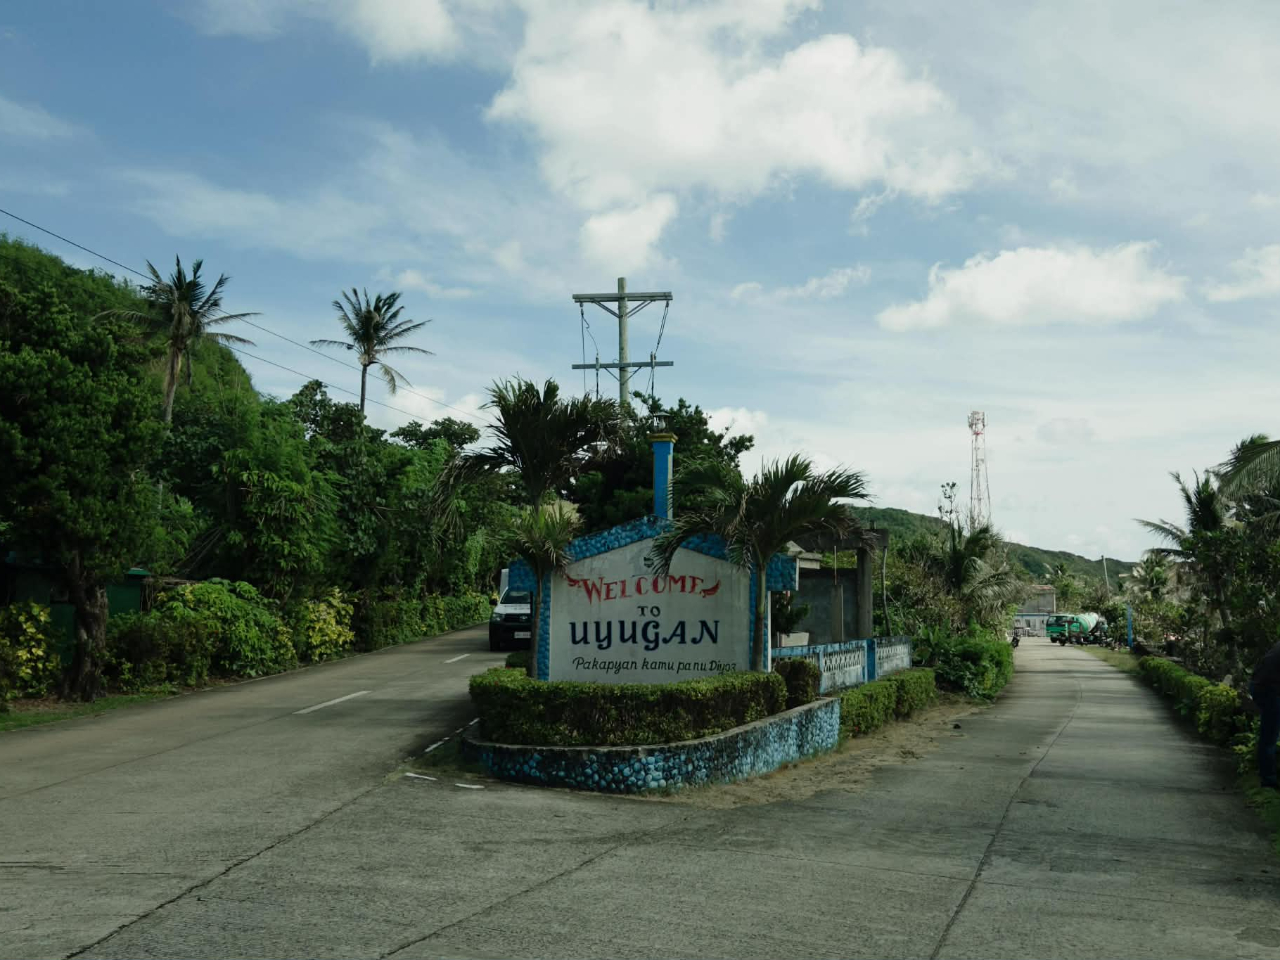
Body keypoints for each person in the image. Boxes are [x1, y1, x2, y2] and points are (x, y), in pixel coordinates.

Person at [1251, 640, 1280, 790]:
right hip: (1268, 690)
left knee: (1270, 734)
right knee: (1270, 736)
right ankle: (1268, 780)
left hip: (1262, 687)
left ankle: (1268, 776)